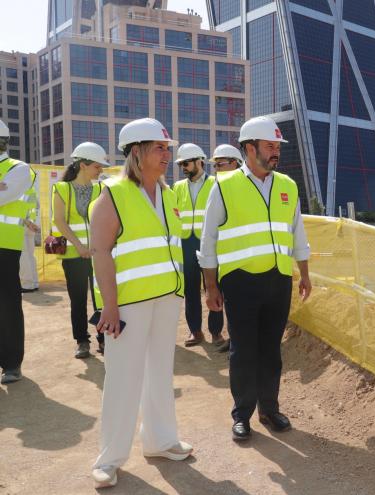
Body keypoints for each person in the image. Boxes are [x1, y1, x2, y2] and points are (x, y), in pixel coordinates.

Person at [89, 118, 192, 488]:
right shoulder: (112, 194)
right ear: (136, 152)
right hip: (128, 304)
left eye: (168, 148)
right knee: (122, 379)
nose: (168, 155)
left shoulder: (168, 195)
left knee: (161, 373)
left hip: (166, 298)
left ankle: (160, 440)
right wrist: (110, 307)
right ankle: (110, 458)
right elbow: (101, 252)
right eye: (160, 148)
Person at [200, 116, 311, 442]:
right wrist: (211, 286)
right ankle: (242, 414)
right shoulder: (224, 185)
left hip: (278, 280)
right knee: (243, 351)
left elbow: (297, 234)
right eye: (269, 146)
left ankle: (269, 409)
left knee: (271, 350)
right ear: (249, 148)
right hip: (240, 281)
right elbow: (208, 242)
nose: (275, 151)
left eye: (277, 146)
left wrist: (303, 273)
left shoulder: (288, 186)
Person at [51, 142, 109, 358]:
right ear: (83, 165)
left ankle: (104, 338)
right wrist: (79, 246)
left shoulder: (102, 188)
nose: (101, 170)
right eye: (97, 166)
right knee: (77, 300)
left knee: (102, 298)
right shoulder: (62, 188)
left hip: (99, 254)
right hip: (74, 255)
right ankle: (82, 341)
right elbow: (59, 221)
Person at [172, 143, 225, 349]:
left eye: (186, 163)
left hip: (209, 242)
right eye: (181, 164)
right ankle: (196, 330)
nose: (183, 167)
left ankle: (216, 332)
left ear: (199, 161)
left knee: (213, 287)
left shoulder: (215, 183)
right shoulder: (177, 187)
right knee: (190, 290)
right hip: (186, 242)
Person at [0, 118, 35, 385]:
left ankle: (11, 362)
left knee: (8, 306)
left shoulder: (19, 169)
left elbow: (4, 196)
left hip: (5, 248)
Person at [19, 181, 38, 293]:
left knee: (23, 255)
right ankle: (33, 283)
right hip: (30, 224)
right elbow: (34, 207)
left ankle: (27, 284)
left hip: (21, 224)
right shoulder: (30, 188)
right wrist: (31, 222)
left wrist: (27, 222)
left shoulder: (15, 186)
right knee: (30, 255)